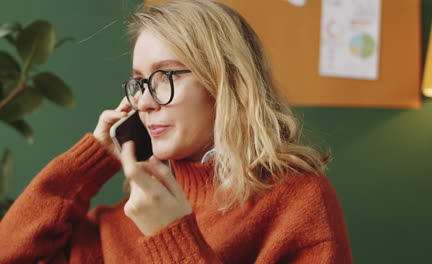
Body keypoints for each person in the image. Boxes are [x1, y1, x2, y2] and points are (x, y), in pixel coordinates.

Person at [0, 0, 352, 263]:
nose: (145, 102)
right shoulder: (128, 213)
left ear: (226, 81)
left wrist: (170, 235)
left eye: (165, 76)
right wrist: (89, 160)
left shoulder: (300, 203)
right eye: (139, 82)